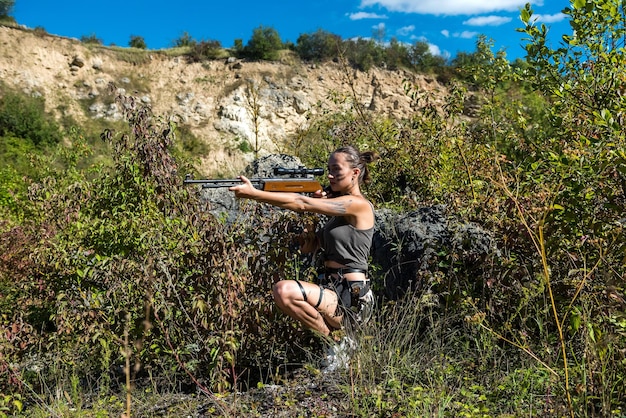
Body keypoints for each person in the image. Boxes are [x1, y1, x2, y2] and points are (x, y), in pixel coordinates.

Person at [229, 146, 378, 347]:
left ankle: (338, 346)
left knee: (284, 290)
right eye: (329, 170)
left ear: (355, 173)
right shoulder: (337, 214)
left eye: (336, 170)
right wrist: (312, 218)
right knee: (283, 293)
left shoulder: (357, 204)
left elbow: (300, 202)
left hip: (353, 294)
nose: (330, 176)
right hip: (332, 288)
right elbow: (309, 248)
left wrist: (254, 194)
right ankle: (339, 345)